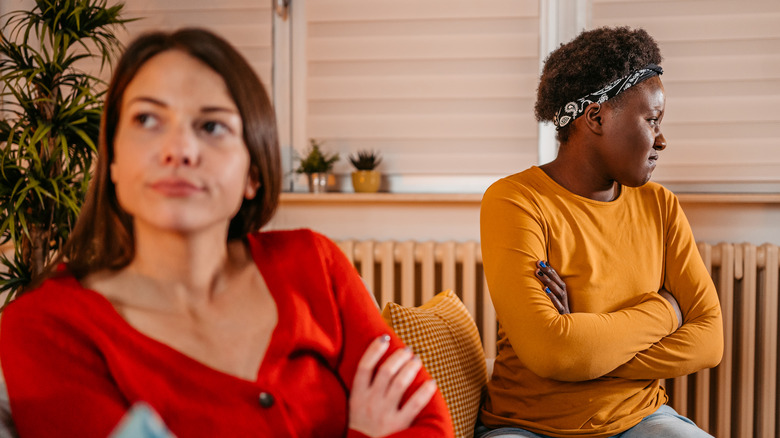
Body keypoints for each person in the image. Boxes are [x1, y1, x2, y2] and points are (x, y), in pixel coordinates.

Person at [0, 28, 454, 437]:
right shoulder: (44, 330)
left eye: (212, 126)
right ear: (114, 160)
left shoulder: (315, 263)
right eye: (147, 120)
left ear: (252, 173)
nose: (179, 149)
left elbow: (428, 423)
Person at [477, 27, 723, 438]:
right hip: (527, 426)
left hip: (641, 419)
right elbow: (554, 353)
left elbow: (709, 340)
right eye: (652, 120)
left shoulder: (660, 206)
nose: (662, 139)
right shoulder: (515, 200)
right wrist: (666, 311)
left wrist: (587, 347)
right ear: (596, 117)